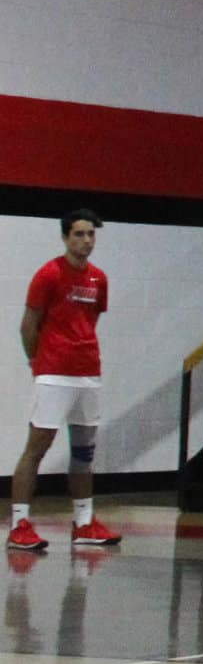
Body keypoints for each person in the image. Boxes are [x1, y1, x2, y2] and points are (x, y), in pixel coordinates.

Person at [12, 210, 115, 555]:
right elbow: (29, 326)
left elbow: (90, 320)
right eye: (79, 234)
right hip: (54, 373)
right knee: (37, 447)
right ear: (65, 237)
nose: (86, 241)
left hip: (88, 373)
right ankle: (19, 525)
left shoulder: (99, 279)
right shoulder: (48, 275)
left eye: (91, 235)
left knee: (84, 452)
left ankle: (84, 522)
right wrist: (37, 363)